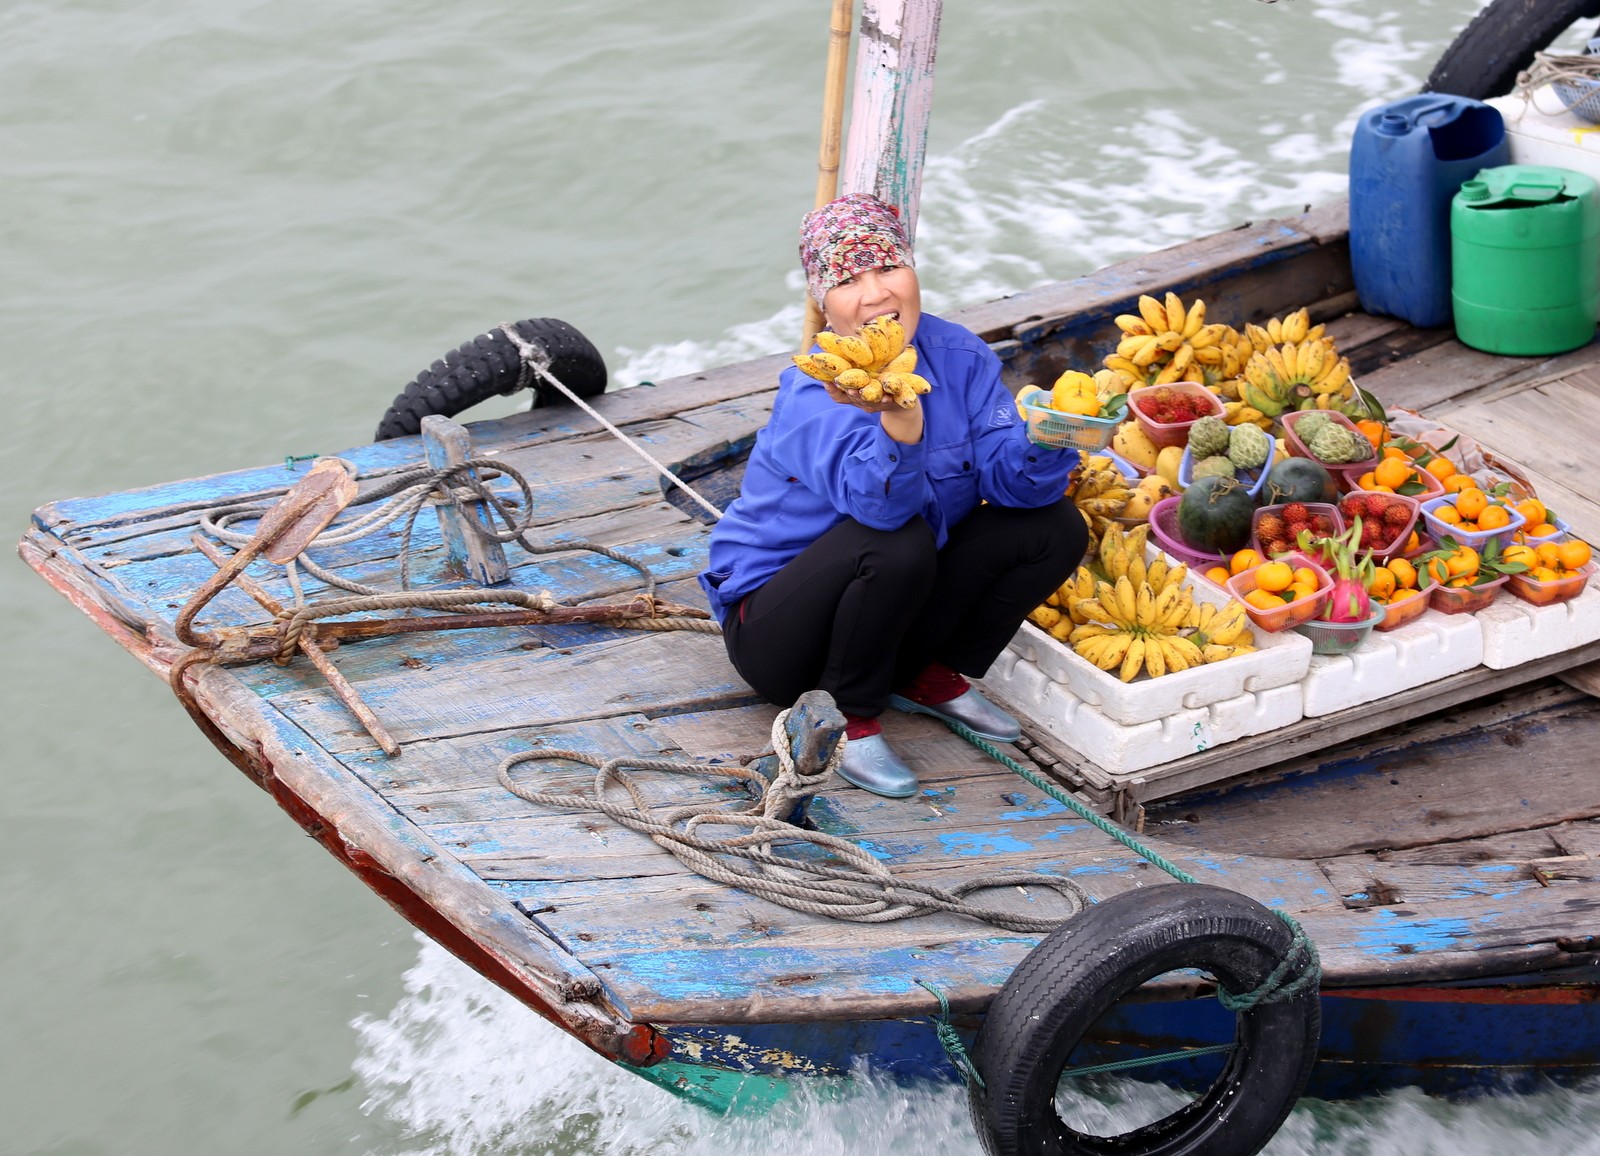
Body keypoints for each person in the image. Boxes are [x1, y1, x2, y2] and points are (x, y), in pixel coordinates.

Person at [698, 192, 1087, 797]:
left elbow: (1011, 489)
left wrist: (1051, 436)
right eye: (849, 278)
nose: (876, 292)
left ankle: (925, 673)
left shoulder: (958, 356)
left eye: (887, 266)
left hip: (891, 614)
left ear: (912, 269)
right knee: (896, 539)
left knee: (1053, 526)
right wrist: (901, 426)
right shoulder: (814, 389)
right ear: (824, 303)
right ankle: (849, 718)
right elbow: (882, 510)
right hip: (778, 633)